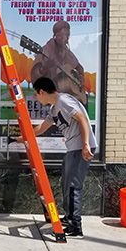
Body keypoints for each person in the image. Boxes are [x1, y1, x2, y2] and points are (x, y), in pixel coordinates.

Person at [32, 76, 97, 238]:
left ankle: (76, 227)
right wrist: (21, 137)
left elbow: (81, 118)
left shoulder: (64, 101)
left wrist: (86, 145)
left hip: (81, 148)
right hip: (73, 149)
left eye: (36, 95)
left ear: (42, 92)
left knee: (74, 187)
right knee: (67, 186)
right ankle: (69, 218)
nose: (36, 98)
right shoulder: (54, 108)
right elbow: (41, 128)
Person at [30, 20, 87, 106]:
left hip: (67, 96)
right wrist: (45, 67)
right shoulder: (45, 50)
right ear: (55, 35)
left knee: (82, 102)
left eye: (67, 35)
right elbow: (35, 75)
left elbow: (80, 68)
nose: (65, 38)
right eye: (62, 35)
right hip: (50, 94)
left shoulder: (67, 52)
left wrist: (80, 80)